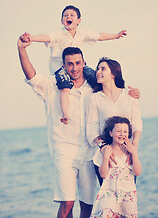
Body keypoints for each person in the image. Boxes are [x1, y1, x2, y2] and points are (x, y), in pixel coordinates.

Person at [17, 35, 139, 217]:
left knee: (88, 204)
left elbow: (115, 88)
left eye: (78, 63)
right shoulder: (53, 86)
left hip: (90, 153)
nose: (74, 68)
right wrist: (22, 49)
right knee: (67, 202)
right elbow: (32, 76)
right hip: (64, 151)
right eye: (70, 64)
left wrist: (134, 91)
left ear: (84, 63)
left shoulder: (94, 88)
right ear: (64, 66)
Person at [20, 5, 127, 125]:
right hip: (60, 69)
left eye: (72, 15)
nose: (68, 17)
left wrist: (116, 36)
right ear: (62, 21)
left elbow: (99, 36)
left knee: (97, 79)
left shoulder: (82, 34)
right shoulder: (58, 34)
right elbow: (46, 37)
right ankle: (65, 113)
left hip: (79, 67)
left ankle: (115, 97)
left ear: (78, 21)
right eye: (65, 15)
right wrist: (32, 38)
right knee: (65, 87)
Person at [86, 57, 142, 186]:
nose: (98, 72)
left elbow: (136, 121)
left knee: (128, 196)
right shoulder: (94, 98)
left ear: (113, 73)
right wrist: (104, 147)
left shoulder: (129, 95)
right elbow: (91, 128)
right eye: (97, 69)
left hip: (126, 153)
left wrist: (134, 145)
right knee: (107, 198)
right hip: (105, 156)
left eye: (103, 68)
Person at [90, 116, 142, 218]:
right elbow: (103, 174)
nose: (122, 134)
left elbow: (137, 172)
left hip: (128, 196)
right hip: (109, 195)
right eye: (118, 131)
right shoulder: (105, 151)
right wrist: (106, 157)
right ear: (111, 133)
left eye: (125, 132)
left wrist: (134, 154)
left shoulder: (130, 151)